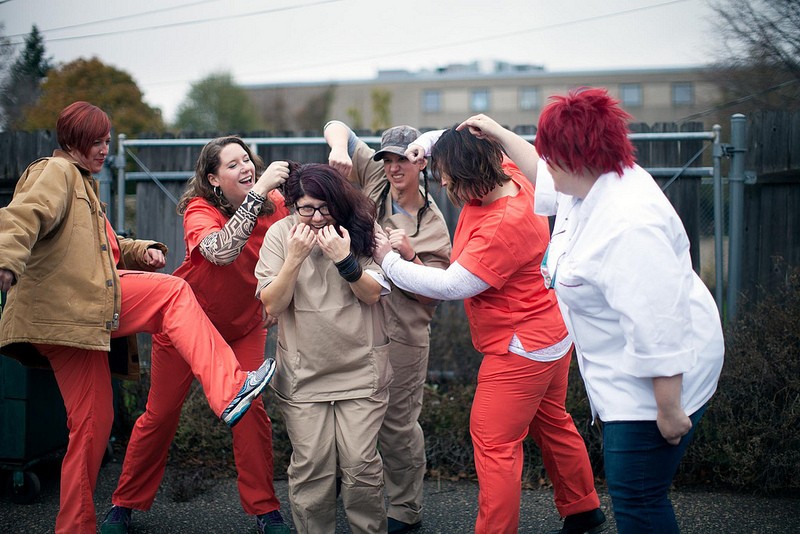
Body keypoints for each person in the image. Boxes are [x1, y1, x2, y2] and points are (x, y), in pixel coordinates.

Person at [456, 87, 725, 533]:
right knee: (635, 494)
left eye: (550, 155)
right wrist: (497, 132)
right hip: (628, 373)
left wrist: (669, 408)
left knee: (638, 498)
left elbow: (657, 324)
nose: (542, 165)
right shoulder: (593, 184)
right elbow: (542, 174)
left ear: (573, 159)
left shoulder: (629, 224)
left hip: (655, 386)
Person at [0, 102, 275, 534]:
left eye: (107, 141)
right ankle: (228, 391)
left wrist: (139, 250)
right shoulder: (56, 173)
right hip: (86, 304)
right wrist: (5, 261)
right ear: (72, 141)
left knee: (93, 426)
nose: (104, 149)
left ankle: (75, 528)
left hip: (80, 322)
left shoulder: (84, 185)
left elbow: (101, 246)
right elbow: (20, 217)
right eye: (96, 141)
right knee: (173, 294)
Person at [375, 127, 605, 534]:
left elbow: (451, 286)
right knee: (552, 420)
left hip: (520, 346)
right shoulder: (510, 174)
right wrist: (425, 146)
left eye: (449, 179)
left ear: (471, 174)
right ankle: (583, 509)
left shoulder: (502, 225)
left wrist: (388, 260)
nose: (443, 185)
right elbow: (468, 134)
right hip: (550, 330)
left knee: (493, 441)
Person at [99, 137, 291, 534]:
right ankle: (124, 503)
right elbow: (220, 252)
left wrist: (280, 300)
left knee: (251, 412)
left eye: (247, 160)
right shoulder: (200, 209)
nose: (246, 167)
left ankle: (265, 510)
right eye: (233, 164)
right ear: (213, 179)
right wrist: (258, 192)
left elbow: (296, 251)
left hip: (242, 328)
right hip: (185, 327)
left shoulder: (276, 206)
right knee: (160, 415)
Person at [324, 120, 452, 533]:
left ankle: (405, 508)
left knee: (397, 425)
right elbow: (336, 126)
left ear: (421, 162)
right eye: (388, 159)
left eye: (403, 160)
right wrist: (339, 150)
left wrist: (410, 257)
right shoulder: (377, 182)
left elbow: (435, 295)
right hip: (359, 327)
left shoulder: (432, 225)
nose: (394, 168)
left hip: (403, 335)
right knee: (350, 414)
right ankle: (347, 491)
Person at [255, 163, 392, 534]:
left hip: (360, 368)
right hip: (304, 373)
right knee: (312, 469)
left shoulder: (361, 227)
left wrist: (343, 259)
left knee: (361, 467)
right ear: (292, 205)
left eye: (325, 207)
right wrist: (294, 258)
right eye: (306, 208)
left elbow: (372, 294)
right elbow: (273, 303)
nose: (316, 218)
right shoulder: (280, 235)